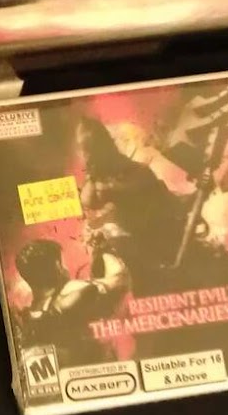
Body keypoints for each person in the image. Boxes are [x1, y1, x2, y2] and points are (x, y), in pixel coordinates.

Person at [73, 114, 182, 292]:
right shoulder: (102, 176)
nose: (83, 155)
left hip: (155, 241)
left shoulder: (130, 171)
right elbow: (90, 202)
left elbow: (99, 198)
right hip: (141, 244)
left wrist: (101, 181)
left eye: (86, 150)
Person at [13, 239, 115, 367]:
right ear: (57, 266)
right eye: (63, 262)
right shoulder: (75, 291)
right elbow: (117, 281)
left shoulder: (27, 316)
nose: (66, 268)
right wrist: (106, 252)